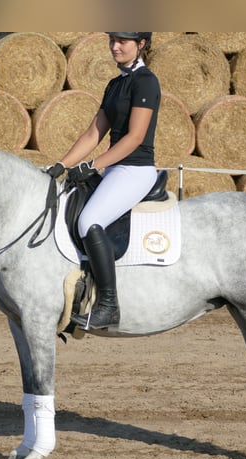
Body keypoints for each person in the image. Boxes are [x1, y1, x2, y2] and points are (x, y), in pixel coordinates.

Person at [46, 32, 161, 330]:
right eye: (112, 40)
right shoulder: (114, 85)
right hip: (115, 170)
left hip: (135, 170)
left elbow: (135, 137)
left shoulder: (145, 82)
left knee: (89, 221)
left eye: (123, 41)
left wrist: (92, 165)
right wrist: (61, 164)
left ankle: (109, 305)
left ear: (142, 45)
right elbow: (93, 134)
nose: (115, 46)